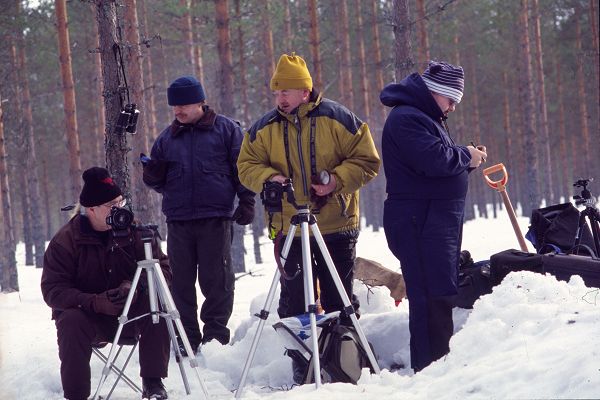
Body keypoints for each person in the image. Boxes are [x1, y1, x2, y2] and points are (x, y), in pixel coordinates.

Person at [237, 53, 380, 380]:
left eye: (285, 91)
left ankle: (347, 369)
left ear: (305, 90)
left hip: (336, 226)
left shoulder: (339, 118)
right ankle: (304, 373)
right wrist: (268, 178)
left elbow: (368, 161)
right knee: (295, 306)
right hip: (289, 229)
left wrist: (336, 180)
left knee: (338, 301)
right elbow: (245, 166)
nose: (280, 99)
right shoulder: (263, 128)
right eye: (276, 93)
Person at [380, 61, 488, 372]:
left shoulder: (424, 117)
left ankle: (437, 370)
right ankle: (429, 374)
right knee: (429, 299)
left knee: (439, 295)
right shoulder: (407, 119)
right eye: (450, 99)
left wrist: (465, 159)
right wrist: (465, 155)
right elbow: (434, 160)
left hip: (432, 221)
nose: (453, 107)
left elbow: (437, 163)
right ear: (434, 92)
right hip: (420, 221)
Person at [143, 75, 255, 354]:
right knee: (180, 283)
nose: (178, 111)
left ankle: (215, 338)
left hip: (215, 219)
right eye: (174, 107)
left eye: (184, 105)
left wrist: (247, 200)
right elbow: (158, 182)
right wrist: (152, 175)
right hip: (178, 221)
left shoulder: (227, 130)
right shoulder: (167, 139)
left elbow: (243, 168)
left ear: (200, 103)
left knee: (216, 281)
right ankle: (185, 338)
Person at [41, 167, 171, 400]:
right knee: (69, 319)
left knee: (156, 304)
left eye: (120, 203)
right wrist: (94, 302)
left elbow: (163, 270)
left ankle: (153, 384)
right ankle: (76, 395)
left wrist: (133, 286)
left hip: (131, 315)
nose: (119, 210)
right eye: (112, 205)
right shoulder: (66, 241)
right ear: (91, 209)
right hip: (89, 319)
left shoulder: (133, 231)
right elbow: (53, 291)